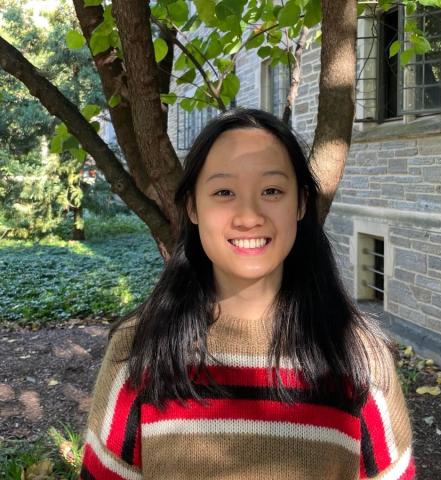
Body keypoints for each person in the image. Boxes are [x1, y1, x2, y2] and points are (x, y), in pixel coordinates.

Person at [79, 108, 415, 479]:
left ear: (301, 203)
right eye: (224, 192)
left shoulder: (358, 356)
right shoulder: (139, 351)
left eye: (272, 191)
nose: (249, 215)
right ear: (192, 206)